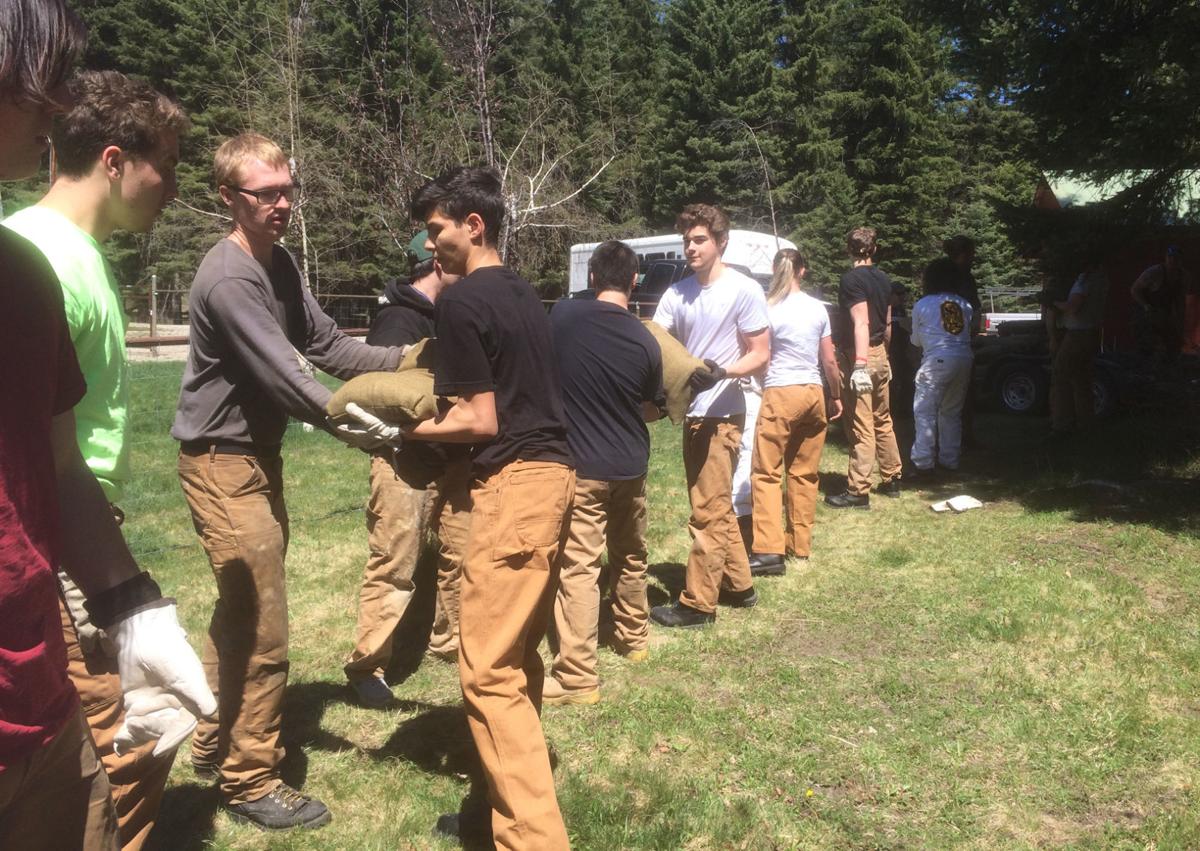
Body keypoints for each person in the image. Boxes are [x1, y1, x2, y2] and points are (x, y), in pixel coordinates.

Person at [0, 3, 214, 848]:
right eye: (38, 80)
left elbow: (54, 460)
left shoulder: (27, 272)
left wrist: (133, 604)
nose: (59, 108)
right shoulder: (50, 254)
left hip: (37, 677)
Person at [171, 132, 402, 830]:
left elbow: (327, 344)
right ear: (228, 197)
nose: (282, 204)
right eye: (265, 194)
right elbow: (290, 376)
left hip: (254, 460)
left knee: (239, 608)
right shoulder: (230, 278)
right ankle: (250, 778)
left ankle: (211, 739)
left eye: (287, 190)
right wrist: (366, 426)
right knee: (265, 623)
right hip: (221, 462)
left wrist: (410, 358)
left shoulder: (279, 262)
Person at [401, 166, 576, 848]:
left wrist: (403, 429)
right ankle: (493, 811)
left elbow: (478, 418)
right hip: (554, 480)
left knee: (487, 670)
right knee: (517, 658)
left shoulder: (463, 300)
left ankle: (533, 839)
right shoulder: (525, 294)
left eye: (436, 229)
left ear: (473, 226)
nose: (429, 244)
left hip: (515, 487)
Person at [342, 235, 470, 707]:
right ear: (437, 262)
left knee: (462, 554)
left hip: (453, 456)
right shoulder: (398, 320)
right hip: (406, 463)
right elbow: (379, 395)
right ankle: (367, 666)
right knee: (393, 565)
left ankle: (450, 640)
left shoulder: (448, 314)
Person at [544, 240, 666, 706]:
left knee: (579, 567)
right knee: (631, 553)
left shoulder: (562, 318)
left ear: (592, 277)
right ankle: (633, 639)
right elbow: (651, 408)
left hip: (584, 465)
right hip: (631, 464)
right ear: (635, 281)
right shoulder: (645, 339)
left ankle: (577, 676)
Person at [649, 203, 769, 628]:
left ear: (721, 242)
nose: (691, 247)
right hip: (693, 411)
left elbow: (760, 353)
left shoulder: (743, 289)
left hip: (724, 413)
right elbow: (657, 341)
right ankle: (739, 585)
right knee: (714, 503)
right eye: (687, 240)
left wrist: (722, 372)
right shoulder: (677, 293)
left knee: (706, 511)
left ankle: (698, 604)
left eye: (699, 240)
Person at [748, 249, 842, 576]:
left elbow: (761, 356)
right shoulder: (818, 308)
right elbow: (829, 360)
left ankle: (768, 549)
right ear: (803, 271)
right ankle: (800, 544)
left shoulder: (767, 307)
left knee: (767, 472)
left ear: (775, 270)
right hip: (813, 391)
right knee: (804, 472)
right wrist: (836, 395)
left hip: (780, 391)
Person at [826, 227, 903, 509]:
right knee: (883, 418)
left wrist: (860, 364)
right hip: (880, 352)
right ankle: (892, 478)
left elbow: (861, 321)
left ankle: (858, 491)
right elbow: (888, 322)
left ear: (849, 249)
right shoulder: (884, 279)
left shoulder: (851, 280)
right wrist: (885, 356)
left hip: (858, 356)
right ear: (875, 249)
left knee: (861, 425)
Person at [908, 270, 975, 477]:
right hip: (964, 358)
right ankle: (949, 459)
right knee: (951, 412)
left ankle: (923, 463)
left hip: (937, 360)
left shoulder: (924, 304)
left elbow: (916, 341)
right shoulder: (965, 304)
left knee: (925, 412)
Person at [1049, 252, 1109, 437]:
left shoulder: (1084, 280)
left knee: (1061, 376)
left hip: (1077, 335)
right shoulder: (1103, 280)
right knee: (1082, 379)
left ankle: (1062, 425)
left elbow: (1073, 307)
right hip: (1093, 333)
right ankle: (1086, 424)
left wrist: (1054, 303)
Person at [1131, 245, 1192, 369]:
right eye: (1170, 257)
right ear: (1166, 258)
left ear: (1181, 260)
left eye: (1176, 258)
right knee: (1149, 344)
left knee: (1174, 340)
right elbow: (1134, 290)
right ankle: (1145, 368)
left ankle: (1168, 368)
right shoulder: (1154, 272)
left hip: (1164, 313)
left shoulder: (1184, 277)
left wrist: (1180, 322)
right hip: (1145, 311)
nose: (1173, 260)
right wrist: (1146, 306)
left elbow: (1180, 301)